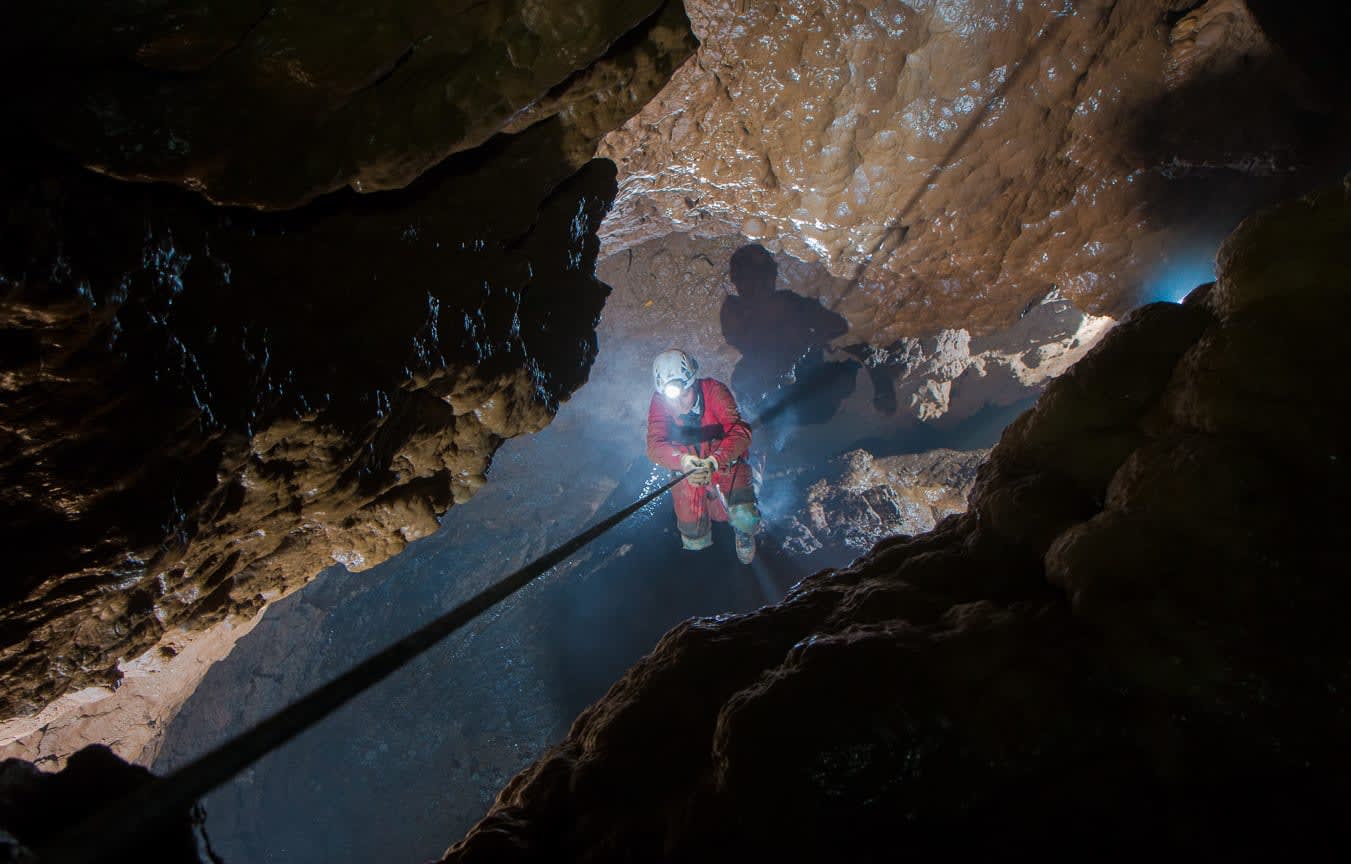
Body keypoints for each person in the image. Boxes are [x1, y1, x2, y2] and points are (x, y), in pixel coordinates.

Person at [647, 348, 761, 564]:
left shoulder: (713, 391)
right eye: (673, 398)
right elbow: (654, 445)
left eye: (685, 394)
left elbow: (740, 432)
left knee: (744, 517)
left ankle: (744, 532)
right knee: (693, 533)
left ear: (694, 382)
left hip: (723, 462)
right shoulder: (659, 401)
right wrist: (681, 462)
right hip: (690, 471)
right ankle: (702, 560)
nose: (680, 403)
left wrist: (714, 461)